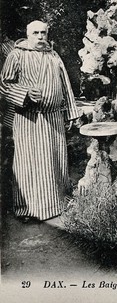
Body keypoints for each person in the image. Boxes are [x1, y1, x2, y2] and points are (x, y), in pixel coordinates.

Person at [0, 20, 80, 222]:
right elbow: (4, 85)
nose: (40, 37)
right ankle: (26, 209)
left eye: (43, 33)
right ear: (28, 35)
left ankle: (57, 204)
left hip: (53, 119)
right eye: (35, 33)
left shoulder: (53, 55)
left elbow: (65, 85)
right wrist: (25, 93)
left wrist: (71, 113)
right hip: (28, 119)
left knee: (54, 162)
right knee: (27, 164)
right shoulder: (16, 54)